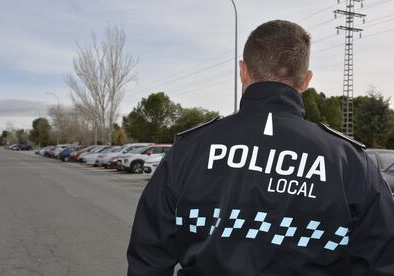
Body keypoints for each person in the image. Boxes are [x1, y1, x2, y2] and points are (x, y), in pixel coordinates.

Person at [127, 20, 394, 275]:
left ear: (243, 70)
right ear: (305, 80)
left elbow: (149, 256)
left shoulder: (189, 149)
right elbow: (380, 261)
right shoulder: (349, 161)